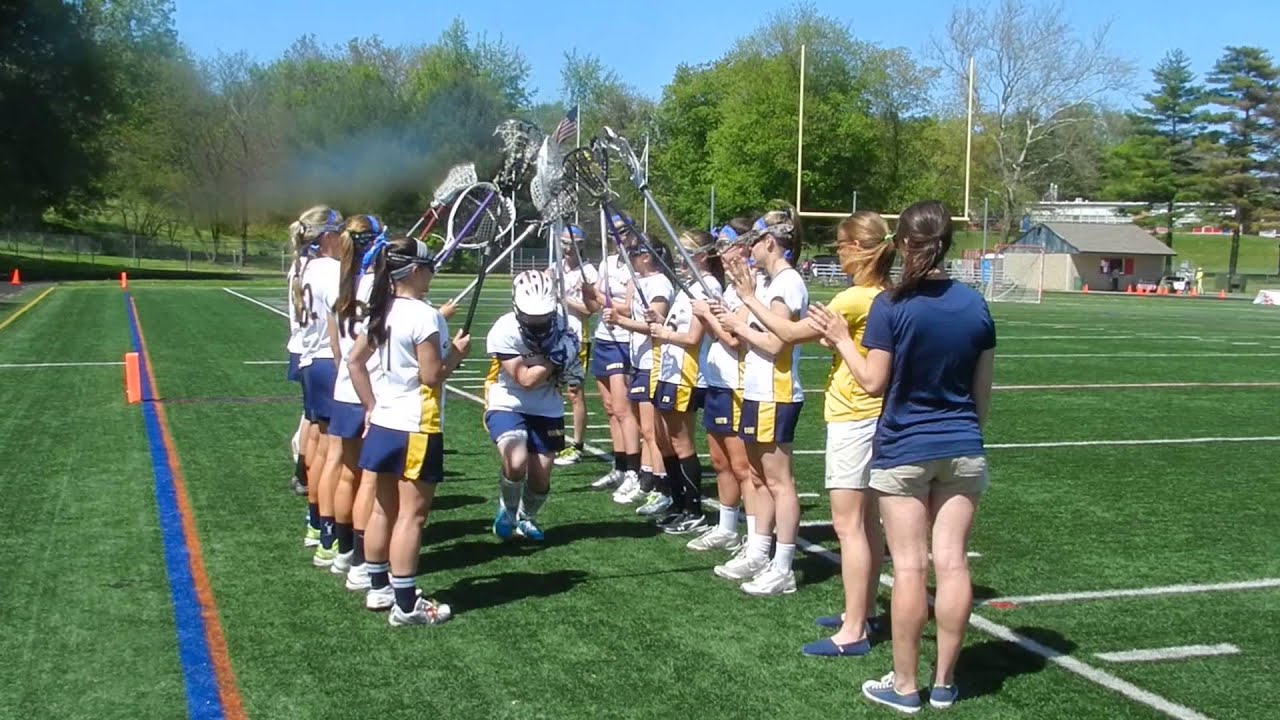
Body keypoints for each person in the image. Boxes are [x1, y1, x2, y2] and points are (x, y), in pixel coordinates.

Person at [811, 201, 994, 712]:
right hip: (963, 447)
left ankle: (906, 684)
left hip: (905, 449)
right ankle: (945, 683)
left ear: (904, 243)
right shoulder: (976, 305)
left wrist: (843, 340)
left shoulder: (893, 305)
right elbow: (982, 397)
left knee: (911, 568)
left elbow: (872, 382)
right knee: (952, 563)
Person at [787, 211, 896, 657]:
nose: (838, 253)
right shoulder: (888, 294)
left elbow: (785, 335)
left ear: (857, 248)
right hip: (876, 415)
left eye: (840, 245)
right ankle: (863, 611)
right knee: (867, 523)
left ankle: (853, 630)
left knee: (848, 525)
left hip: (854, 415)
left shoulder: (854, 296)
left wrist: (747, 300)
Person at [349, 236, 471, 627]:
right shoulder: (424, 315)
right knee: (412, 516)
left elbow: (354, 362)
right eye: (430, 267)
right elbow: (432, 375)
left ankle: (379, 587)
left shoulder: (383, 310)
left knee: (384, 507)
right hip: (416, 425)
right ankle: (405, 605)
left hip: (386, 419)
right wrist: (457, 353)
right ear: (416, 271)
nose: (434, 273)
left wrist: (371, 406)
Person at [712, 209, 807, 597]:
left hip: (775, 391)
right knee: (756, 476)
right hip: (757, 390)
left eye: (754, 240)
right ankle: (758, 551)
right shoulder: (768, 282)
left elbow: (774, 343)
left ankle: (782, 567)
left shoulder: (788, 282)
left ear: (771, 242)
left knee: (779, 482)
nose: (749, 247)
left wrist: (739, 317)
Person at [486, 271, 580, 541]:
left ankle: (527, 518)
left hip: (547, 406)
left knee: (540, 477)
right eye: (531, 317)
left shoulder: (568, 325)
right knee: (516, 462)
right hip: (509, 401)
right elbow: (525, 379)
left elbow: (572, 376)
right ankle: (508, 510)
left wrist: (571, 370)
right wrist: (556, 357)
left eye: (542, 316)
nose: (537, 323)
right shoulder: (504, 329)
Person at [315, 215, 382, 575]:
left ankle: (342, 552)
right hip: (370, 390)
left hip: (345, 387)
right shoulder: (376, 286)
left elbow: (337, 349)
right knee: (369, 478)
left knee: (346, 474)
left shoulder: (340, 281)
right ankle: (360, 558)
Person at [646, 230, 724, 534]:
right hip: (669, 370)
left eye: (687, 251)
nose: (680, 258)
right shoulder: (688, 285)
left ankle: (693, 509)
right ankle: (677, 503)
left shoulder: (707, 286)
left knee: (681, 442)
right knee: (663, 439)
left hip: (686, 373)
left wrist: (665, 334)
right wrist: (658, 320)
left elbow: (694, 337)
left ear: (703, 255)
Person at [685, 219, 756, 552]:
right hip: (717, 381)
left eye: (727, 244)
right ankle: (727, 527)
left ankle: (756, 538)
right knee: (719, 461)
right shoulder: (728, 287)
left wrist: (707, 315)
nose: (722, 252)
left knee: (743, 466)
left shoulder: (749, 287)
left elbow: (733, 338)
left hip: (737, 384)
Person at [601, 240, 674, 509]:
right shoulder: (640, 282)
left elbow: (654, 324)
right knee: (646, 429)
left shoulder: (660, 284)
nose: (628, 258)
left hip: (653, 362)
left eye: (633, 253)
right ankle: (647, 479)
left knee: (653, 431)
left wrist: (620, 322)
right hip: (639, 360)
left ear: (646, 256)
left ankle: (660, 483)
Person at [293, 206, 344, 552]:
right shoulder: (332, 271)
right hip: (329, 362)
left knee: (315, 441)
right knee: (333, 455)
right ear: (327, 236)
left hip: (311, 361)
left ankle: (315, 523)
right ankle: (328, 532)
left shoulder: (305, 268)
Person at [588, 217, 643, 491]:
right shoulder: (606, 263)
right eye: (614, 233)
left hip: (623, 340)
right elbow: (597, 295)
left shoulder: (636, 266)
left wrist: (608, 302)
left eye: (622, 232)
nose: (618, 237)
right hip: (603, 338)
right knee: (610, 409)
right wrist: (603, 299)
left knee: (623, 410)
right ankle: (619, 466)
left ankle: (634, 470)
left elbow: (630, 307)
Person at [547, 225, 600, 467]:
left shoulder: (589, 272)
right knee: (550, 389)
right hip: (553, 335)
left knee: (575, 392)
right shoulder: (554, 268)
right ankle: (553, 439)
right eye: (564, 243)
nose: (568, 249)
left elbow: (590, 310)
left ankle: (577, 445)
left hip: (577, 337)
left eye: (573, 244)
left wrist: (562, 296)